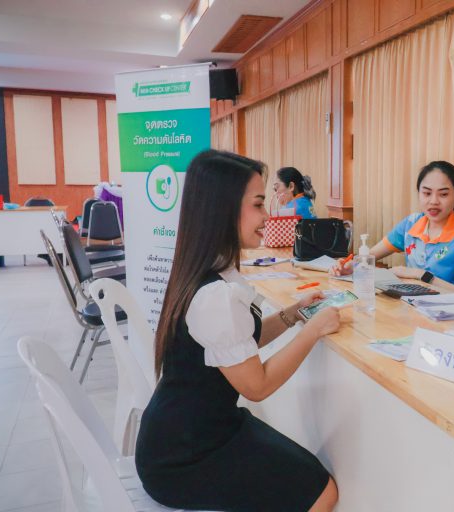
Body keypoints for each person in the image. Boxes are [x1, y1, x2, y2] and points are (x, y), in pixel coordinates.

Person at [135, 150, 340, 511]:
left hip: (199, 431)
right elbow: (257, 386)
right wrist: (314, 331)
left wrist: (294, 314)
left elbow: (238, 343)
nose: (267, 215)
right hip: (183, 458)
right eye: (258, 204)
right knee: (321, 491)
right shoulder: (216, 295)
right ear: (223, 209)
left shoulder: (208, 271)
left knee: (308, 474)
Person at [331, 160, 454, 294]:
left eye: (443, 194)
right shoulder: (411, 224)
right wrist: (350, 266)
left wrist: (420, 274)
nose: (434, 201)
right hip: (409, 305)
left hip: (447, 312)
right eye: (427, 193)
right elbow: (370, 255)